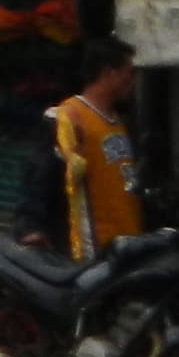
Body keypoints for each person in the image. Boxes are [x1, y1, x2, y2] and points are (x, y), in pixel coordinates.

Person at [51, 42, 143, 261]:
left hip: (127, 241)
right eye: (128, 74)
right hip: (95, 246)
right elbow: (47, 176)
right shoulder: (71, 117)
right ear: (108, 73)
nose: (131, 82)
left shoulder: (117, 121)